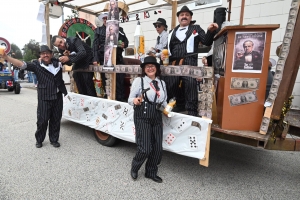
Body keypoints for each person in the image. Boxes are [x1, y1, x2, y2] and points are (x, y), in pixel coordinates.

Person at [0, 45, 68, 148]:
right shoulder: (36, 65)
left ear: (51, 54)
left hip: (58, 96)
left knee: (56, 119)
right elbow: (21, 64)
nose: (45, 55)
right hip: (44, 97)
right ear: (40, 55)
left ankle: (54, 139)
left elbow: (71, 59)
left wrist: (67, 54)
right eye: (43, 53)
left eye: (47, 53)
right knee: (42, 120)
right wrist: (7, 58)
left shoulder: (57, 63)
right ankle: (39, 140)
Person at [161, 6, 218, 116]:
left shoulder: (195, 28)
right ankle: (177, 105)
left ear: (190, 17)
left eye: (187, 15)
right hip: (174, 63)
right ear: (178, 18)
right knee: (171, 84)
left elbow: (206, 41)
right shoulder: (171, 32)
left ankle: (192, 111)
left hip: (189, 62)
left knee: (191, 84)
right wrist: (162, 57)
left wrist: (210, 31)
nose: (184, 17)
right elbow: (166, 50)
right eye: (182, 15)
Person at [129, 56, 167, 183]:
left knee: (157, 148)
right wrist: (135, 100)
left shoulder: (162, 83)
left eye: (152, 66)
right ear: (144, 69)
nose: (150, 68)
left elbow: (164, 101)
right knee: (145, 148)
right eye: (147, 66)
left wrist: (168, 109)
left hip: (157, 116)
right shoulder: (138, 81)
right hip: (142, 116)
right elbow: (130, 99)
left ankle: (150, 172)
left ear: (156, 68)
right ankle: (135, 167)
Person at [93, 13, 129, 101]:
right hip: (103, 59)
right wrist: (95, 59)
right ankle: (109, 101)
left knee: (119, 81)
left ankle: (121, 100)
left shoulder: (119, 29)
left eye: (107, 18)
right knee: (106, 82)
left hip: (118, 59)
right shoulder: (97, 30)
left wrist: (124, 44)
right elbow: (94, 46)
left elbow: (126, 42)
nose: (106, 20)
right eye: (104, 18)